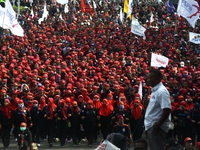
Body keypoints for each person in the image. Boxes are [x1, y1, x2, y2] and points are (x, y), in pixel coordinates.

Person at [144, 69, 171, 150]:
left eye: (151, 78)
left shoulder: (162, 91)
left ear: (158, 78)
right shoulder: (154, 91)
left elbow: (167, 109)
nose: (148, 80)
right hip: (151, 125)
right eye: (148, 78)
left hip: (156, 127)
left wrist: (158, 125)